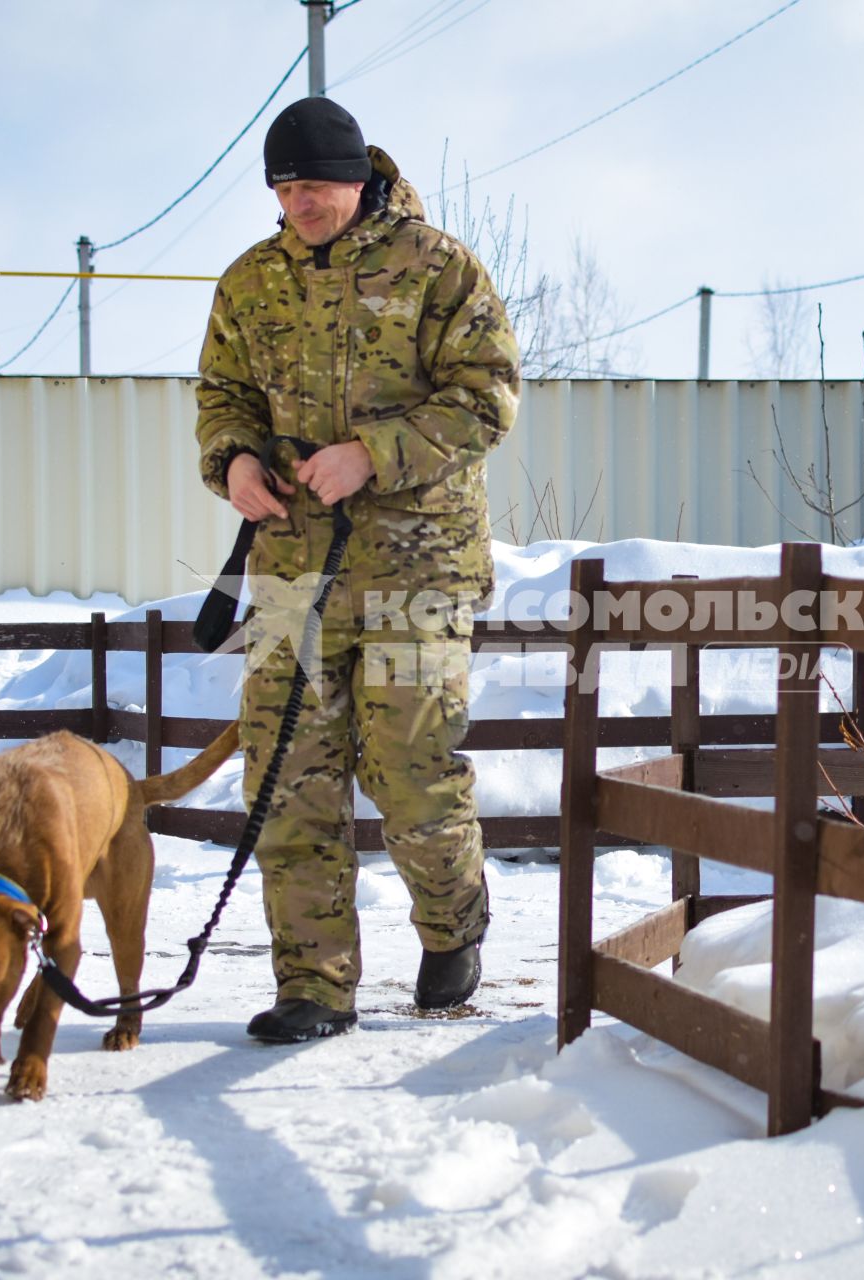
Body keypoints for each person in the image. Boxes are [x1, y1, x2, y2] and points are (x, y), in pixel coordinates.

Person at [194, 96, 519, 1043]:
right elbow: (222, 396)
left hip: (419, 563)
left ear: (357, 178)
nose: (299, 205)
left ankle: (454, 925)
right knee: (288, 775)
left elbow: (487, 396)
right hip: (295, 565)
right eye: (284, 190)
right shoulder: (250, 284)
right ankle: (315, 986)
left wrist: (373, 453)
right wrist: (235, 462)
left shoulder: (438, 266)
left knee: (409, 765)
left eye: (314, 187)